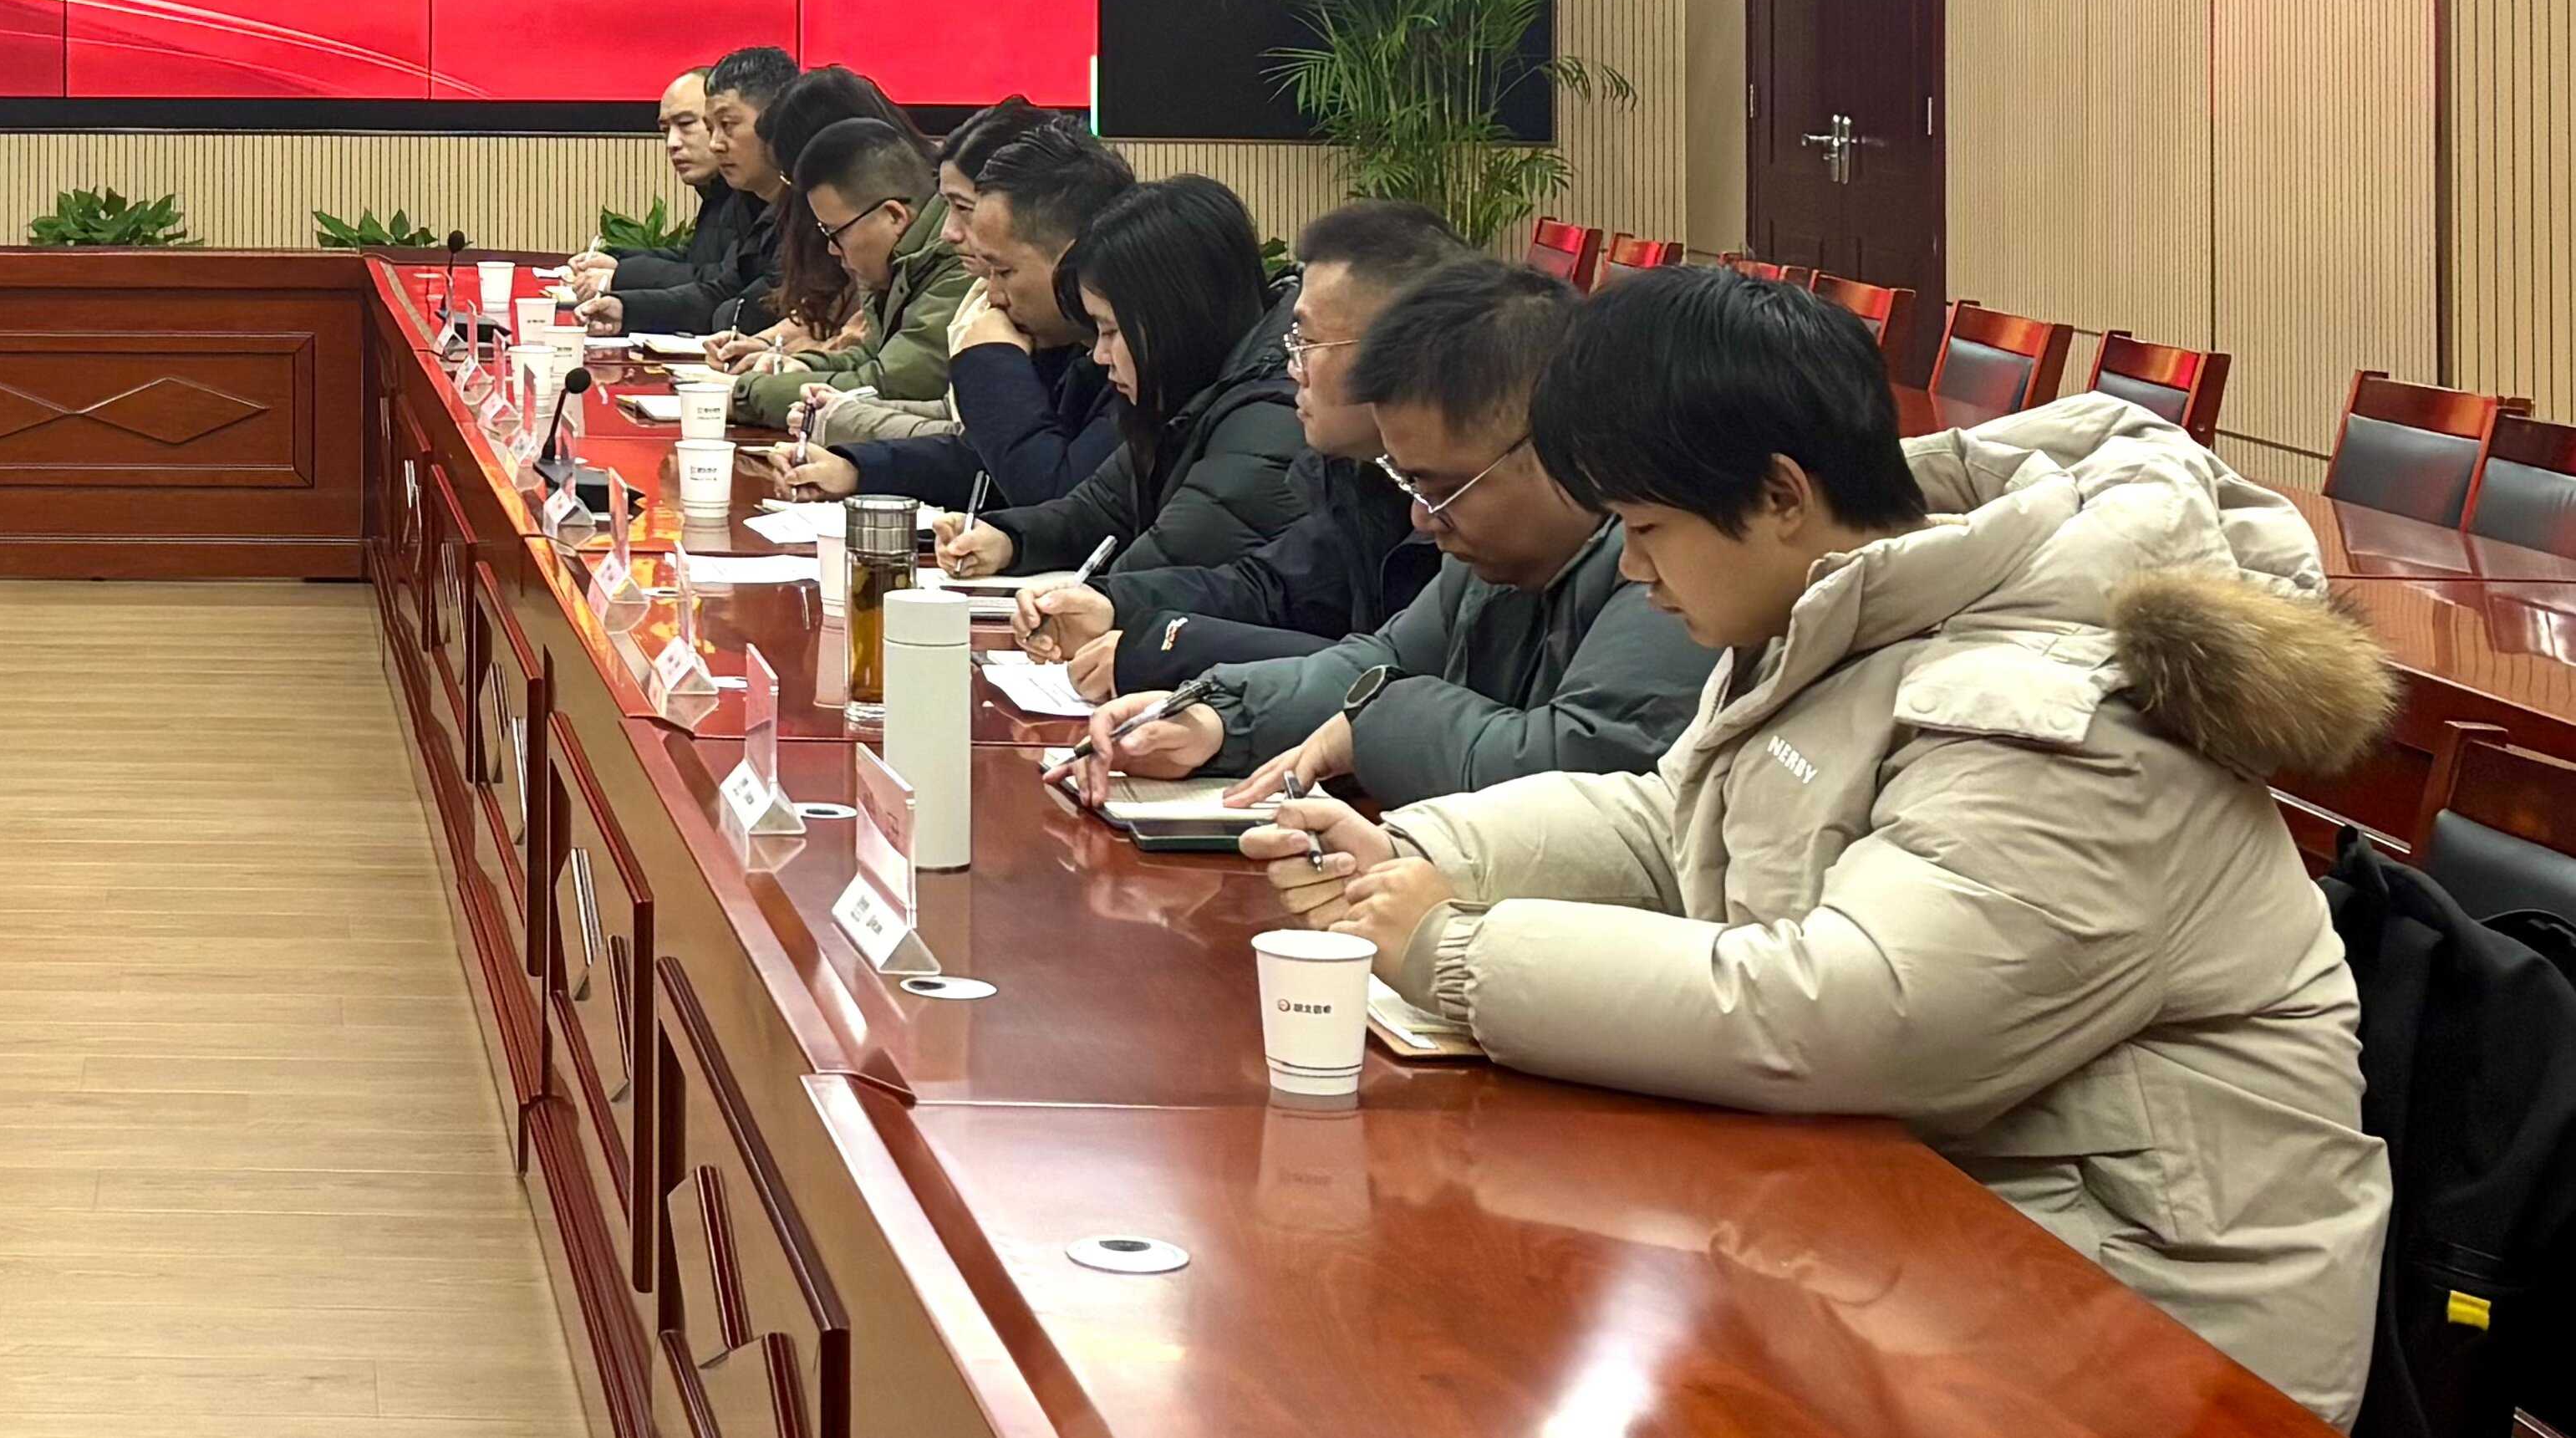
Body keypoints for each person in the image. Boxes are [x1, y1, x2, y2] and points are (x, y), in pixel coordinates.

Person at [1254, 275, 2390, 1424]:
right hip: (1937, 1239)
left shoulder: (2053, 705)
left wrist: (1456, 953)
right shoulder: (1845, 609)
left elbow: (1857, 1012)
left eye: (1646, 530)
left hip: (2146, 1332)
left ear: (1779, 495)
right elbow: (1681, 821)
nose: (1633, 574)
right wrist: (1423, 850)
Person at [1075, 257, 1713, 809]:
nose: (1422, 520)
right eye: (1408, 483)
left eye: (1443, 489)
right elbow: (1378, 662)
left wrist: (1376, 721)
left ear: (1554, 446)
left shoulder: (1666, 567)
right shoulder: (1492, 558)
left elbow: (1569, 764)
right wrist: (1217, 720)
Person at [1020, 197, 1468, 695]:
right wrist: (1113, 604)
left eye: (1307, 344)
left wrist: (1165, 648)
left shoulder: (1476, 503)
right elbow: (1273, 589)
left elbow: (1394, 674)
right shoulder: (1357, 470)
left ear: (1401, 356)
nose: (1292, 368)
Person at [934, 175, 1307, 584]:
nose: (1099, 355)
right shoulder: (1193, 392)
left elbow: (1168, 567)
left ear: (1173, 319)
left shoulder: (1272, 411)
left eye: (1110, 330)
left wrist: (1092, 601)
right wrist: (1009, 540)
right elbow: (1098, 510)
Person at [771, 110, 1130, 509]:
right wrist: (855, 469)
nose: (993, 294)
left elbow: (1052, 496)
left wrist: (992, 359)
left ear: (1073, 258)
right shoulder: (1066, 341)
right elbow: (986, 460)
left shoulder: (1137, 358)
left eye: (1004, 271)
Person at [721, 117, 973, 430]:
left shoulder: (957, 262)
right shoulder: (904, 260)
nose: (832, 249)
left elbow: (895, 383)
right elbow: (869, 355)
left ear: (894, 216)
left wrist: (748, 395)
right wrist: (800, 366)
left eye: (835, 232)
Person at [706, 64, 914, 365]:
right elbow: (823, 308)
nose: (791, 188)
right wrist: (765, 343)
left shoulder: (889, 222)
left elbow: (870, 347)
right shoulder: (830, 215)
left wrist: (793, 359)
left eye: (791, 174)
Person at [578, 48, 792, 336]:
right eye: (711, 128)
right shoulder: (742, 196)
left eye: (726, 125)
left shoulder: (805, 208)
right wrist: (626, 309)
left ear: (775, 122)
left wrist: (622, 276)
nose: (716, 144)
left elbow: (742, 308)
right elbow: (721, 288)